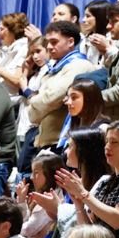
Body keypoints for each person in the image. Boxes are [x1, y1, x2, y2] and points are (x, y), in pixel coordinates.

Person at [25, 21, 98, 153]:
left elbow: (51, 99)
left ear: (70, 42)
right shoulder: (55, 69)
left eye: (54, 42)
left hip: (63, 143)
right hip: (47, 141)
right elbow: (34, 114)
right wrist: (38, 103)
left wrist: (32, 100)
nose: (48, 47)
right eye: (47, 42)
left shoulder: (78, 65)